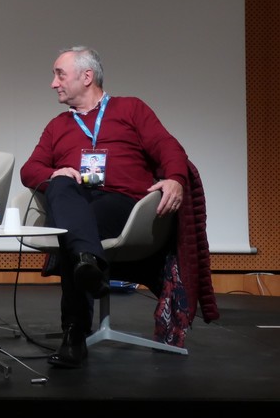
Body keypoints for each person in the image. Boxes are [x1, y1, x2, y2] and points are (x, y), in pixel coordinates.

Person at [20, 46, 188, 368]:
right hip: (76, 201)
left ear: (87, 76)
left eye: (59, 75)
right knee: (62, 188)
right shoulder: (57, 125)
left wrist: (176, 179)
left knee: (73, 229)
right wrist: (55, 172)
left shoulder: (131, 109)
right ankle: (87, 263)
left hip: (122, 205)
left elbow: (168, 146)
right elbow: (30, 170)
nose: (53, 83)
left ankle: (74, 333)